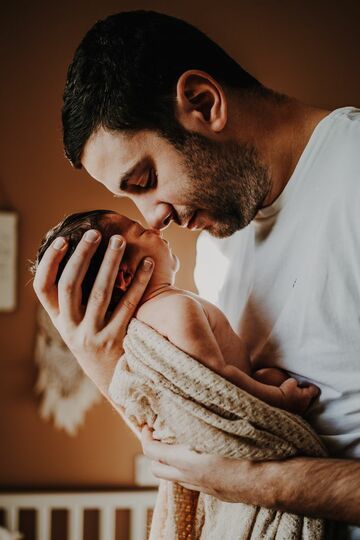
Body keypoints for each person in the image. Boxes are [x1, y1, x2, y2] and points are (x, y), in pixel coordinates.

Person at [33, 10, 360, 537]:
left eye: (145, 179)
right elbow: (204, 419)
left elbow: (238, 472)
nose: (153, 217)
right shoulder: (217, 246)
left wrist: (269, 485)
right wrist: (101, 360)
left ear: (204, 103)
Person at [33, 209, 320, 414]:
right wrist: (280, 398)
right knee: (273, 379)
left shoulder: (148, 321)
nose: (155, 228)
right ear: (123, 275)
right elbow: (216, 385)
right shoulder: (175, 308)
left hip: (247, 381)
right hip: (242, 404)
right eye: (142, 232)